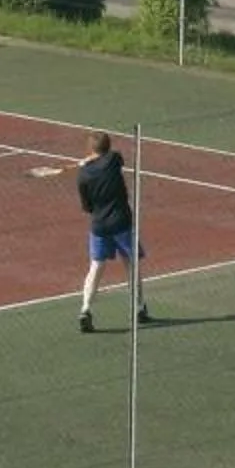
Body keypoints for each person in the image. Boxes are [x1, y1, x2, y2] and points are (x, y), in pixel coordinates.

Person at [69, 131, 151, 333]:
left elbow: (87, 207)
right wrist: (88, 161)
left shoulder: (83, 176)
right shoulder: (114, 160)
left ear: (91, 149)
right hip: (122, 223)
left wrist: (85, 165)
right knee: (131, 265)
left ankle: (85, 308)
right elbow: (111, 156)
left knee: (95, 267)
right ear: (108, 147)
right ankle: (139, 308)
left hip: (99, 226)